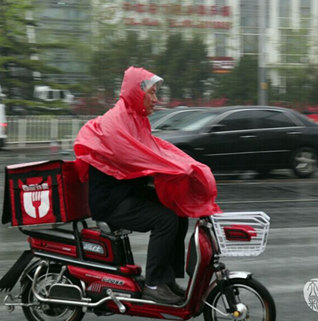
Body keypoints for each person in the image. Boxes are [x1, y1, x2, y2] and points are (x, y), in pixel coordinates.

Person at [74, 66, 220, 304]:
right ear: (135, 93)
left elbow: (153, 150)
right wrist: (178, 168)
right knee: (165, 220)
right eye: (152, 93)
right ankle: (153, 284)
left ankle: (166, 279)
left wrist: (185, 166)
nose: (156, 99)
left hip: (125, 193)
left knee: (177, 211)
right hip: (111, 202)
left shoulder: (134, 119)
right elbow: (140, 157)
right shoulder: (117, 122)